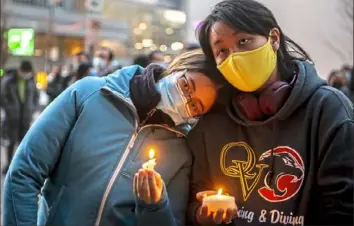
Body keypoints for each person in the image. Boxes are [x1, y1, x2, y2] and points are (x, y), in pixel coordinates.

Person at [2, 49, 219, 226]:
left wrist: (154, 204)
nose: (184, 101)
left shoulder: (181, 150)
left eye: (194, 106)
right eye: (186, 85)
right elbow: (24, 173)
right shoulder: (90, 94)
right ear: (175, 69)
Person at [186, 0, 353, 226]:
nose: (234, 56)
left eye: (243, 41)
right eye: (222, 50)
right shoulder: (212, 120)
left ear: (274, 39)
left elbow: (344, 210)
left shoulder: (328, 109)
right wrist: (202, 214)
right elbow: (195, 199)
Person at [0, 61, 39, 175]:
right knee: (11, 142)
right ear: (19, 70)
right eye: (25, 72)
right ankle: (9, 164)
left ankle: (21, 166)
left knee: (24, 143)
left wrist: (33, 108)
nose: (26, 74)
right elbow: (2, 97)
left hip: (26, 116)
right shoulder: (9, 81)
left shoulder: (31, 81)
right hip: (12, 117)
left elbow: (36, 96)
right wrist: (9, 109)